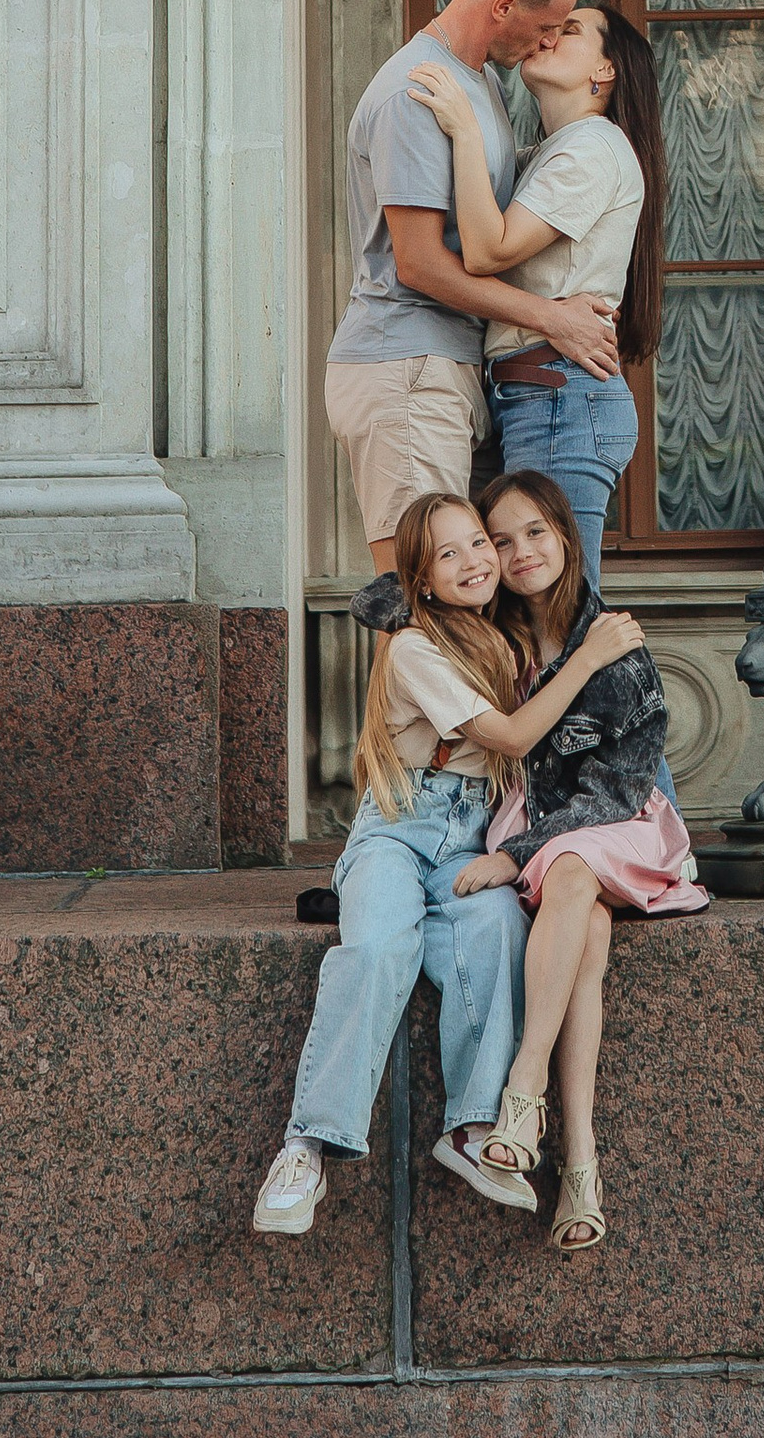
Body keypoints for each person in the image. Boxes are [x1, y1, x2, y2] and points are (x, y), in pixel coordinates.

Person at [251, 489, 648, 1240]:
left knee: (499, 933)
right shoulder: (414, 646)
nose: (476, 561)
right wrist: (591, 653)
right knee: (375, 948)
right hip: (399, 831)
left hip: (474, 839)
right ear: (421, 580)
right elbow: (510, 736)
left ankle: (471, 1131)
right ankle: (306, 1147)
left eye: (481, 545)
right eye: (449, 553)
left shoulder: (498, 632)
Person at [454, 468, 708, 1254]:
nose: (520, 551)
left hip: (622, 827)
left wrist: (516, 856)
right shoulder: (492, 638)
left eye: (536, 531)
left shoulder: (616, 648)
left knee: (569, 870)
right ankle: (580, 1167)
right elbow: (392, 602)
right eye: (501, 540)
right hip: (558, 847)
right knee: (586, 933)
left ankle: (521, 1091)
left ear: (566, 535)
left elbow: (616, 789)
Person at [326, 0, 625, 576]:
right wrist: (552, 317)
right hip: (406, 366)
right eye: (548, 26)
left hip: (450, 370)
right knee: (420, 602)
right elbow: (420, 264)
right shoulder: (417, 92)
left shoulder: (481, 84)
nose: (549, 40)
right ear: (503, 8)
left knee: (464, 607)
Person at [408, 0, 663, 593]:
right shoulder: (554, 151)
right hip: (539, 395)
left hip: (558, 400)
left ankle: (621, 693)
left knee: (559, 610)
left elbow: (488, 251)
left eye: (570, 31)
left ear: (606, 72)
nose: (548, 37)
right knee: (535, 614)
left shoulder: (593, 146)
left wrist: (465, 126)